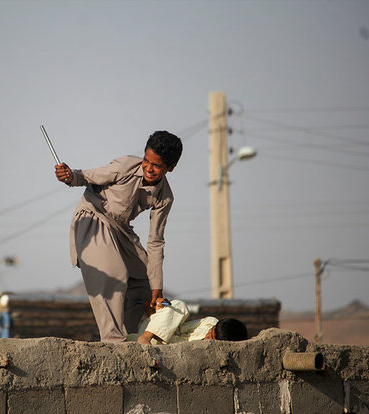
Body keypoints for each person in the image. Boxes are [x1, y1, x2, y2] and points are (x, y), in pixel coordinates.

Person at [55, 131, 183, 342]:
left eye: (157, 166)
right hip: (93, 217)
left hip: (121, 230)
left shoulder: (165, 197)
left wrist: (157, 289)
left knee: (144, 279)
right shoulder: (125, 166)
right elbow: (87, 176)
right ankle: (113, 341)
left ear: (170, 168)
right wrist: (69, 176)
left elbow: (156, 241)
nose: (148, 168)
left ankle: (128, 336)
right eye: (146, 161)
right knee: (115, 272)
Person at [126, 298, 248, 345]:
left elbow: (176, 341)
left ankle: (148, 334)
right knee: (180, 306)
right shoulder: (210, 322)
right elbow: (179, 328)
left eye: (212, 338)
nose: (207, 335)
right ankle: (146, 336)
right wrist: (161, 314)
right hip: (149, 336)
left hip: (159, 347)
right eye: (211, 332)